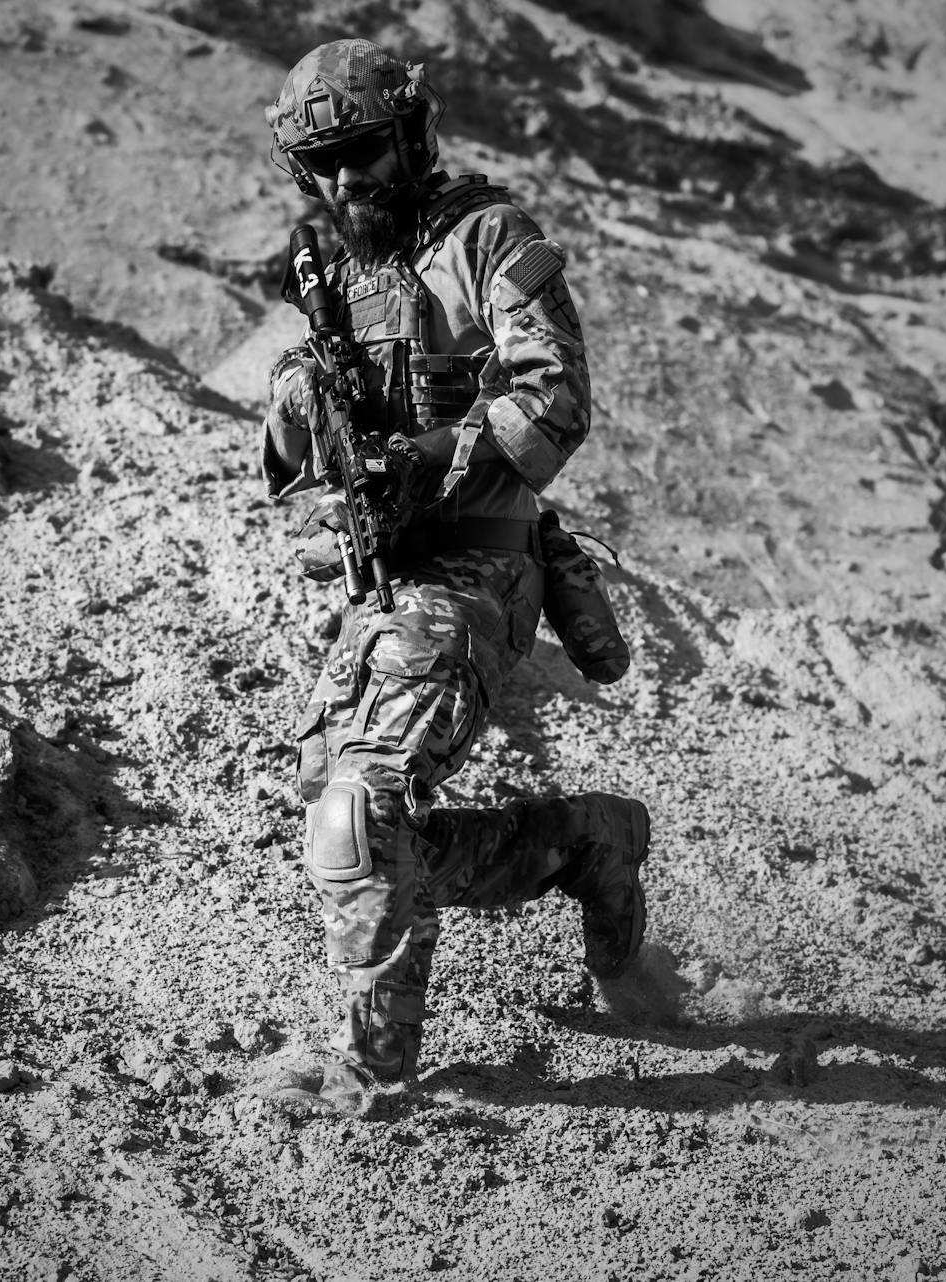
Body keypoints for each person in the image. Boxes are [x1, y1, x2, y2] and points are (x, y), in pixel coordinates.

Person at [257, 38, 652, 1115]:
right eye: (325, 166)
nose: (349, 182)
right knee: (373, 838)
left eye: (366, 153)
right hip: (389, 582)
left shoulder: (488, 239)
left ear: (411, 135)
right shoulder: (332, 273)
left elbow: (557, 397)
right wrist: (306, 401)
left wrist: (432, 454)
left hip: (485, 562)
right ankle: (584, 840)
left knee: (361, 807)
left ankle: (374, 1078)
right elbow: (288, 455)